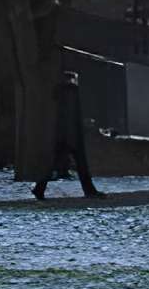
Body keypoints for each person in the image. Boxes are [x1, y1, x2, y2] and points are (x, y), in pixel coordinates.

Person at [33, 70, 100, 201]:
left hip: (64, 135)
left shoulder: (60, 93)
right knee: (80, 166)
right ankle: (89, 191)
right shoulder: (71, 92)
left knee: (56, 164)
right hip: (71, 136)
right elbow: (71, 116)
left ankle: (39, 189)